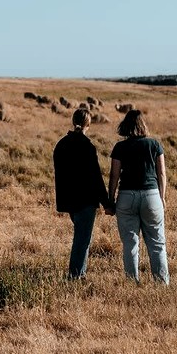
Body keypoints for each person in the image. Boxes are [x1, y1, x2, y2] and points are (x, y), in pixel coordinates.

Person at [108, 109, 169, 284]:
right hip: (151, 195)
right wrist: (162, 197)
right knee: (157, 243)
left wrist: (111, 199)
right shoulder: (154, 145)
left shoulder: (120, 147)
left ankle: (131, 283)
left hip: (126, 196)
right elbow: (162, 174)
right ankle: (161, 283)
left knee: (130, 243)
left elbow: (114, 176)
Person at [53, 108, 112, 279]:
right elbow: (96, 178)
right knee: (82, 239)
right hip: (86, 200)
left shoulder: (61, 144)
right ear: (89, 124)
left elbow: (60, 174)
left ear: (73, 121)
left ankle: (79, 273)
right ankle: (76, 276)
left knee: (81, 236)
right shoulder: (87, 146)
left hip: (69, 199)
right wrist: (107, 203)